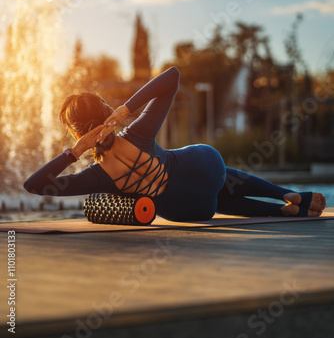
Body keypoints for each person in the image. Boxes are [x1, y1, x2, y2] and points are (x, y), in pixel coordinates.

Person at [24, 67, 326, 221]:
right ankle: (288, 194)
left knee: (215, 199)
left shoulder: (95, 177)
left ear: (77, 133)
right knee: (220, 176)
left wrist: (76, 151)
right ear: (106, 111)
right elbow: (172, 76)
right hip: (206, 167)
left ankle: (284, 211)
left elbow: (33, 186)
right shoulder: (139, 133)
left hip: (190, 210)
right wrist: (125, 109)